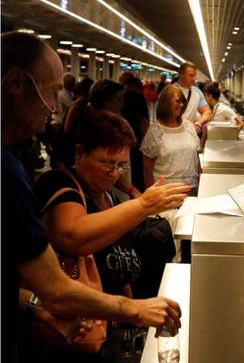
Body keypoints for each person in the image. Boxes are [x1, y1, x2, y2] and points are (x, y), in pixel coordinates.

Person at [1, 32, 181, 363]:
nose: (54, 107)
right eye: (49, 91)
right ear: (16, 83)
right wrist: (132, 309)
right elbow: (59, 272)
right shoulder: (15, 174)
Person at [34, 110, 190, 297]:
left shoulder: (108, 197)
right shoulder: (59, 184)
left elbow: (120, 263)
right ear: (80, 153)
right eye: (107, 163)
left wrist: (130, 310)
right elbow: (72, 237)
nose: (114, 173)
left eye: (121, 165)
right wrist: (143, 205)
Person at [141, 84, 201, 192]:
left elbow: (195, 158)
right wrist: (150, 192)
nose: (182, 105)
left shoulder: (188, 126)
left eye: (183, 101)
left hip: (191, 187)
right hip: (165, 190)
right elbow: (147, 166)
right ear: (166, 103)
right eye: (178, 101)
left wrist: (201, 181)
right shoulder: (156, 131)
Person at [121, 75, 150, 192]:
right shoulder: (139, 99)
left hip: (122, 140)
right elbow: (144, 122)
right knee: (136, 172)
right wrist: (144, 143)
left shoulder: (122, 98)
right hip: (136, 140)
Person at [173, 61, 212, 132]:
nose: (194, 79)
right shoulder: (170, 91)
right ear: (181, 74)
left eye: (194, 75)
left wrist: (198, 123)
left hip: (189, 134)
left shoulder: (197, 92)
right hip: (172, 134)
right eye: (191, 75)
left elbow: (207, 112)